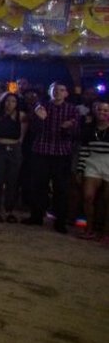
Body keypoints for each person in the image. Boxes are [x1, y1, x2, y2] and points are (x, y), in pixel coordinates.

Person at [25, 82, 80, 233]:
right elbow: (32, 129)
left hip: (61, 153)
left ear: (66, 93)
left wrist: (69, 127)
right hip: (41, 151)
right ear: (49, 92)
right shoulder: (41, 107)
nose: (57, 92)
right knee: (38, 186)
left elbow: (76, 133)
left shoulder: (72, 109)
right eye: (54, 90)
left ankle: (60, 221)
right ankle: (36, 216)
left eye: (61, 90)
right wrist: (38, 119)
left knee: (61, 189)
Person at [0, 92, 26, 223]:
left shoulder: (21, 116)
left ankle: (10, 210)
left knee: (13, 181)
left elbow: (22, 134)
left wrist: (17, 144)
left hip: (14, 149)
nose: (10, 104)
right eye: (7, 101)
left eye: (13, 101)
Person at [77, 100, 109, 240]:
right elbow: (84, 150)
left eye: (105, 110)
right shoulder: (89, 128)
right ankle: (89, 228)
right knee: (88, 197)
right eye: (99, 109)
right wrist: (80, 169)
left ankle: (106, 233)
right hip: (92, 162)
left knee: (108, 200)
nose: (102, 112)